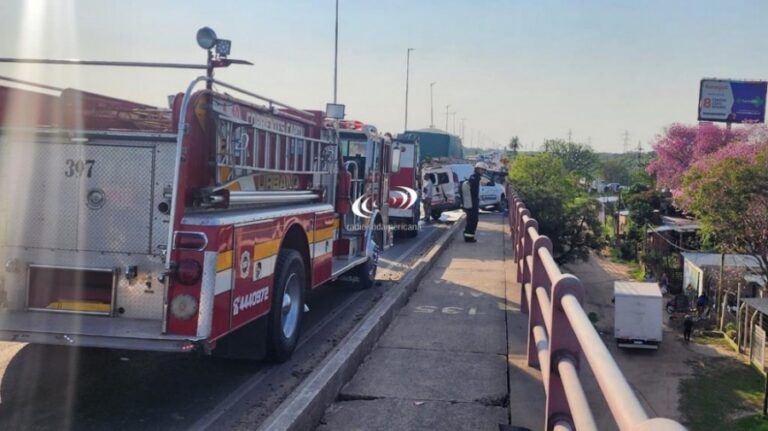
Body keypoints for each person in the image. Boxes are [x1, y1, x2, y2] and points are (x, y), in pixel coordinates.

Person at [461, 162, 487, 242]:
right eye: (481, 170)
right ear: (477, 169)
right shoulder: (475, 178)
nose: (482, 171)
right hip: (472, 203)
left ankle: (469, 236)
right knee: (473, 220)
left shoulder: (474, 177)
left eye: (483, 170)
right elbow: (474, 192)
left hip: (471, 202)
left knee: (471, 220)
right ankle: (469, 237)